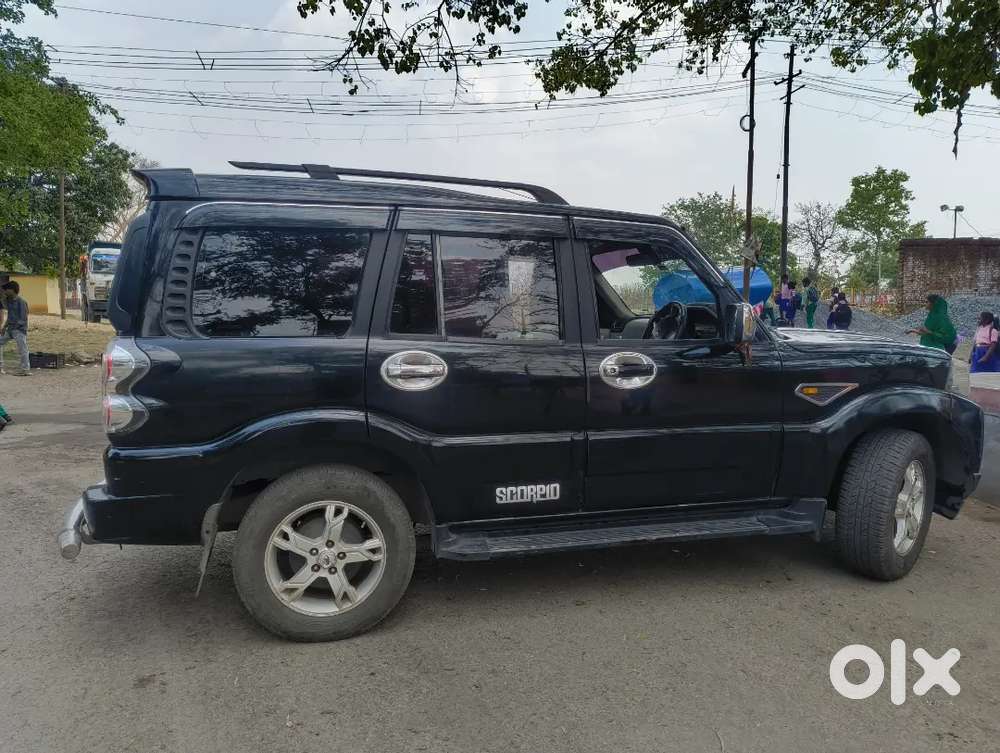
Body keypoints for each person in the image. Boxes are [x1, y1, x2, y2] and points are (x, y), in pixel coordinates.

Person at [0, 281, 30, 376]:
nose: (4, 292)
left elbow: (23, 319)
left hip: (19, 330)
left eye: (6, 290)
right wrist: (4, 327)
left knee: (23, 349)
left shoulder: (21, 302)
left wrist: (15, 328)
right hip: (10, 329)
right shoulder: (9, 301)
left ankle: (25, 370)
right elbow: (9, 316)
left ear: (12, 290)